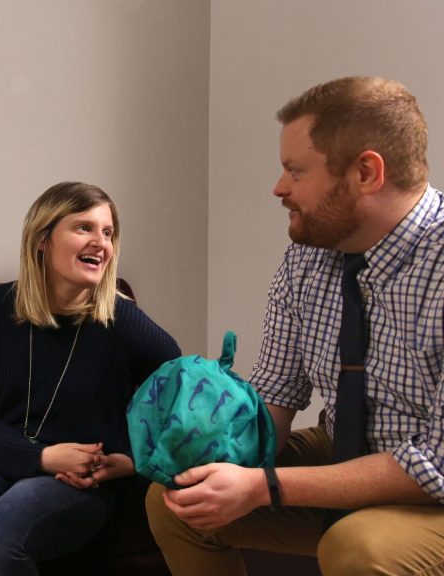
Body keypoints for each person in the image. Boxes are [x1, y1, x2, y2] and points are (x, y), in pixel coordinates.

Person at [146, 76, 444, 575]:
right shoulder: (308, 257)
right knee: (178, 499)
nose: (279, 188)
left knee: (359, 547)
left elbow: (437, 462)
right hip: (351, 448)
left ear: (367, 173)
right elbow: (277, 392)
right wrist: (210, 448)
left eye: (295, 171)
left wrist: (265, 487)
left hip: (432, 486)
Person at [0, 181, 181, 575]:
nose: (100, 242)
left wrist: (133, 460)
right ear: (42, 239)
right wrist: (40, 457)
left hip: (83, 477)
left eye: (107, 232)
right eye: (83, 227)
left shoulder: (121, 319)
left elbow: (186, 402)